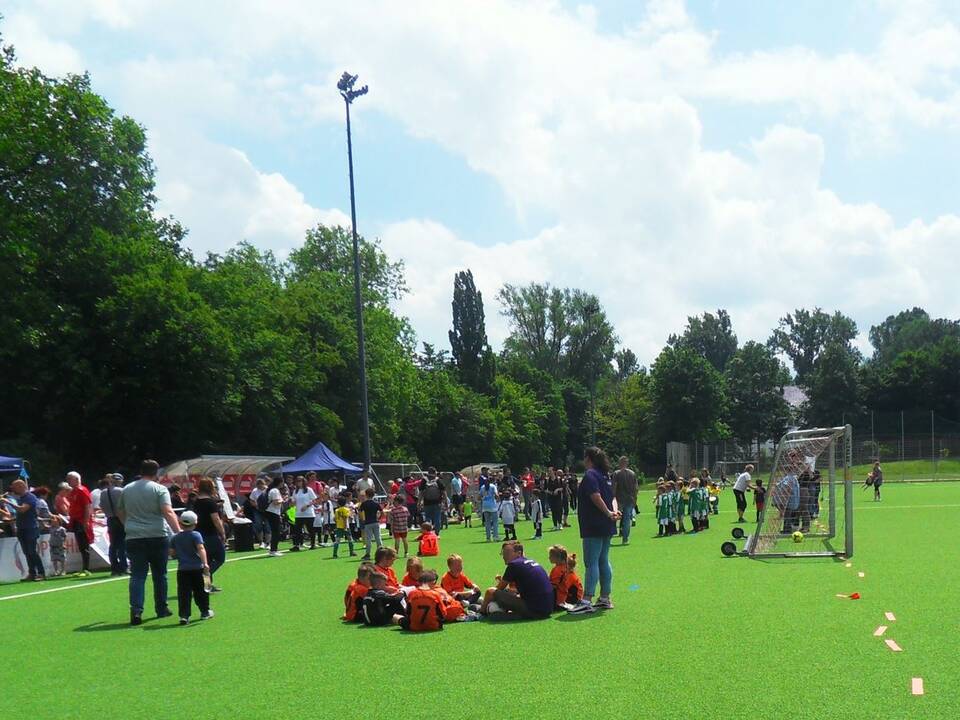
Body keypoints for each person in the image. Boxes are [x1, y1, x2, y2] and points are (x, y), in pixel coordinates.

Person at [117, 460, 181, 625]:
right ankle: (161, 608)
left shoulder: (127, 489)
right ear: (156, 473)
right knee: (160, 574)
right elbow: (167, 511)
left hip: (134, 536)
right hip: (157, 534)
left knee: (137, 575)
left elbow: (120, 511)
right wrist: (178, 532)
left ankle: (136, 611)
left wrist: (128, 525)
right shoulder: (159, 489)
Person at [568, 446, 618, 614]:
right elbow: (613, 497)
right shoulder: (605, 475)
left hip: (593, 524)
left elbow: (595, 496)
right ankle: (605, 597)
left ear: (588, 458)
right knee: (603, 560)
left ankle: (587, 600)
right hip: (607, 524)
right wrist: (613, 512)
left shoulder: (590, 475)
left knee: (591, 562)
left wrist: (608, 512)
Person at [480, 541, 553, 620]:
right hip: (547, 609)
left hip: (533, 609)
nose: (504, 556)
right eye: (503, 553)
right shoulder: (531, 562)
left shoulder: (514, 565)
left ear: (519, 553)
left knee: (490, 591)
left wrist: (487, 601)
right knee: (510, 593)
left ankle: (481, 614)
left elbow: (497, 590)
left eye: (507, 553)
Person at [170, 510, 212, 625]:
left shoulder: (175, 537)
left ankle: (184, 615)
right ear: (195, 523)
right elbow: (201, 548)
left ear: (180, 523)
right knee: (201, 591)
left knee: (184, 593)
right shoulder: (196, 535)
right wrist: (205, 563)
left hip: (182, 569)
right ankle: (205, 611)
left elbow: (172, 553)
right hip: (197, 568)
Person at [192, 477, 226, 591]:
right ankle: (203, 577)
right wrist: (222, 533)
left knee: (208, 560)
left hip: (199, 534)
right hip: (210, 534)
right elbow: (216, 520)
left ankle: (207, 585)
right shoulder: (210, 503)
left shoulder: (196, 502)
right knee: (220, 558)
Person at [8, 479, 44, 581]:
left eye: (14, 487)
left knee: (32, 551)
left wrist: (7, 502)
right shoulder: (21, 498)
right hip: (22, 528)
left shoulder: (30, 497)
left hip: (30, 528)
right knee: (26, 552)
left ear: (21, 486)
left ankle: (41, 573)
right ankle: (32, 573)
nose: (13, 489)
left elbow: (22, 509)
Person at [65, 471, 93, 577]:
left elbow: (87, 507)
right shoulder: (73, 492)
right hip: (76, 521)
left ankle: (86, 569)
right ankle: (84, 568)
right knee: (81, 545)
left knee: (84, 545)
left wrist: (86, 521)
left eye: (69, 479)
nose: (68, 481)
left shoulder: (82, 490)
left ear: (77, 479)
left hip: (81, 521)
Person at [99, 473, 127, 575]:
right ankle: (123, 567)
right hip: (121, 519)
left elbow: (102, 506)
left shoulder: (103, 492)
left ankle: (114, 568)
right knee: (122, 544)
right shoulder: (121, 491)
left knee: (113, 545)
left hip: (110, 519)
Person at [611, 456, 638, 545]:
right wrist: (635, 499)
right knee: (627, 520)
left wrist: (612, 497)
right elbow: (636, 488)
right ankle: (625, 539)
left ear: (620, 463)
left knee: (614, 517)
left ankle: (610, 536)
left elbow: (614, 487)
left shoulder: (616, 473)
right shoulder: (632, 474)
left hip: (619, 499)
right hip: (629, 499)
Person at [291, 476, 318, 551]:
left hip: (308, 513)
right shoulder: (295, 491)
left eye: (300, 481)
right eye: (297, 481)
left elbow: (314, 500)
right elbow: (293, 501)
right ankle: (297, 545)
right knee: (297, 531)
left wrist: (307, 506)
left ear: (303, 482)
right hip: (298, 514)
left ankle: (313, 544)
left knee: (310, 530)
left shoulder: (309, 490)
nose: (298, 482)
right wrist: (292, 502)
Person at [418, 468, 445, 534]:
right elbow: (443, 491)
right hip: (437, 502)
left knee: (427, 518)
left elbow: (421, 492)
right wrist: (445, 501)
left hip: (427, 502)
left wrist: (419, 502)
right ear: (434, 472)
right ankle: (437, 533)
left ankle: (428, 532)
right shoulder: (437, 480)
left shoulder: (424, 480)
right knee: (437, 518)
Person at [359, 488, 383, 560]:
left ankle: (368, 554)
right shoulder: (376, 503)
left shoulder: (364, 504)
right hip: (375, 522)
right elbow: (382, 511)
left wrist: (362, 519)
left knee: (368, 540)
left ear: (366, 495)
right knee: (378, 538)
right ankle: (381, 554)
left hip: (367, 523)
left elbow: (360, 512)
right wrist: (379, 518)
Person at [264, 479, 285, 557]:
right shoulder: (275, 490)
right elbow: (275, 502)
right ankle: (273, 550)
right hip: (273, 512)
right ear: (279, 483)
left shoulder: (272, 490)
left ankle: (274, 549)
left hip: (272, 512)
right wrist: (283, 500)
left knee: (275, 531)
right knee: (276, 532)